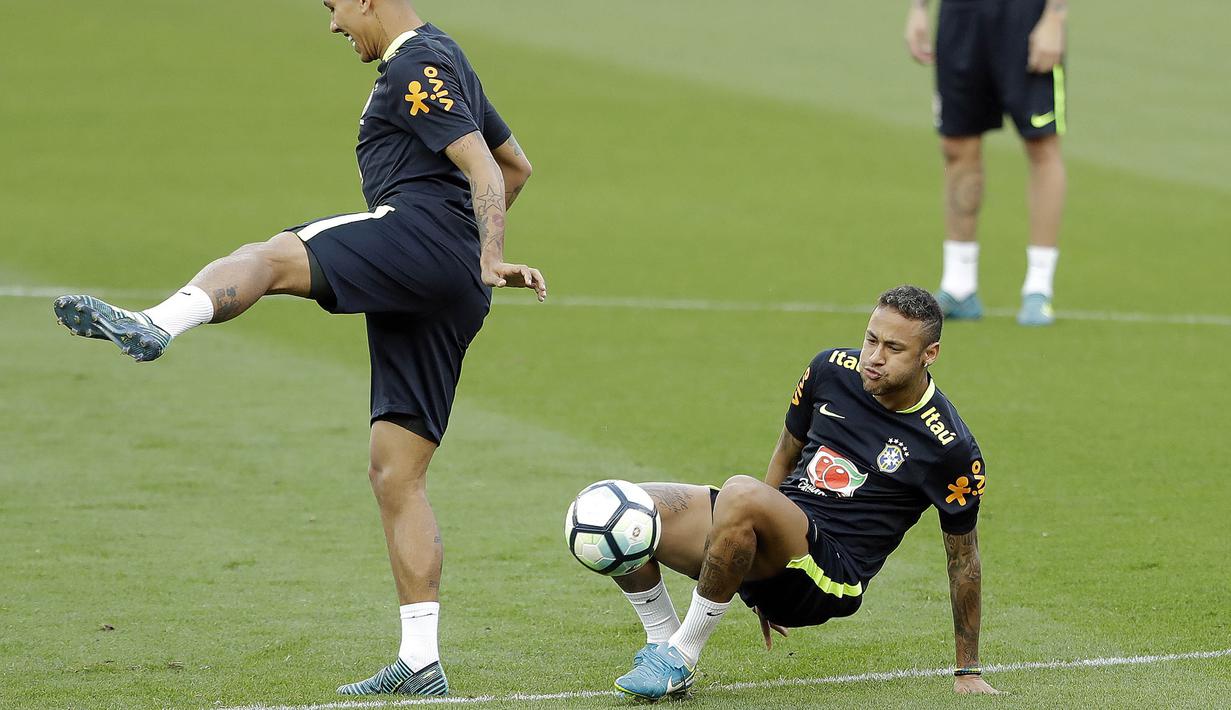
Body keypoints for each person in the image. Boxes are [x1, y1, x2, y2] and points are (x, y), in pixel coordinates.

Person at [52, 0, 545, 697]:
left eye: (335, 5)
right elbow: (515, 164)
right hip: (452, 280)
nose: (334, 24)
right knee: (396, 474)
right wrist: (472, 260)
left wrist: (484, 250)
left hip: (424, 243)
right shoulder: (446, 55)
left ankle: (160, 322)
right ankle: (420, 662)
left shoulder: (415, 64)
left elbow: (487, 174)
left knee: (271, 256)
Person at [603, 286, 1000, 700]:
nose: (874, 358)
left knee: (740, 491)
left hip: (830, 576)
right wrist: (746, 553)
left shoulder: (950, 448)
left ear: (929, 354)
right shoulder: (829, 370)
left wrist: (967, 669)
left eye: (894, 348)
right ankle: (661, 639)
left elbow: (963, 560)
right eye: (871, 340)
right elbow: (784, 453)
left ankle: (682, 654)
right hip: (783, 535)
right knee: (614, 503)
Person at [904, 0, 1069, 326]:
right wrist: (919, 8)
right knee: (957, 143)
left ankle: (1039, 287)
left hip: (1025, 13)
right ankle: (959, 284)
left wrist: (1055, 16)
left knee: (1040, 144)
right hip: (960, 13)